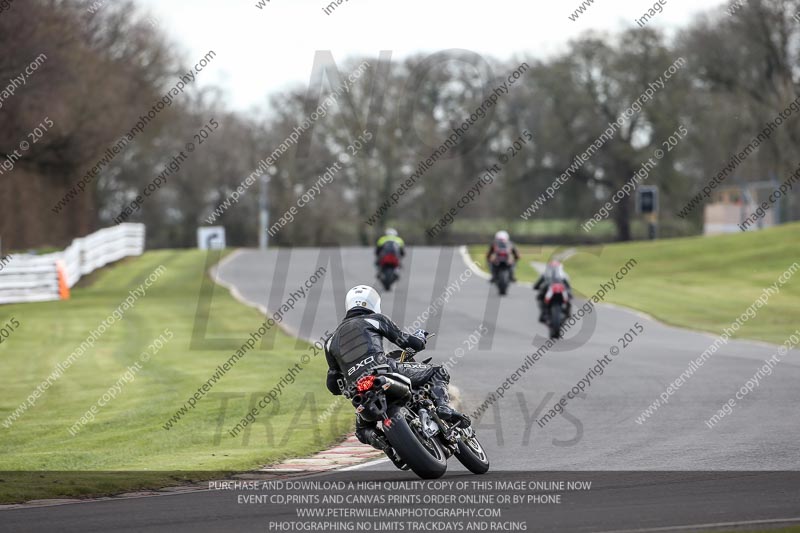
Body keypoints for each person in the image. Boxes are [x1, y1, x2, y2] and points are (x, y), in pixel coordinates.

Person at [324, 285, 470, 450]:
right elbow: (407, 342)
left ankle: (387, 447)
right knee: (438, 372)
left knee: (362, 430)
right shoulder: (375, 319)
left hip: (359, 389)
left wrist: (347, 385)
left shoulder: (330, 341)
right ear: (373, 303)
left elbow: (332, 384)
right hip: (384, 371)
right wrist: (420, 339)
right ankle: (443, 406)